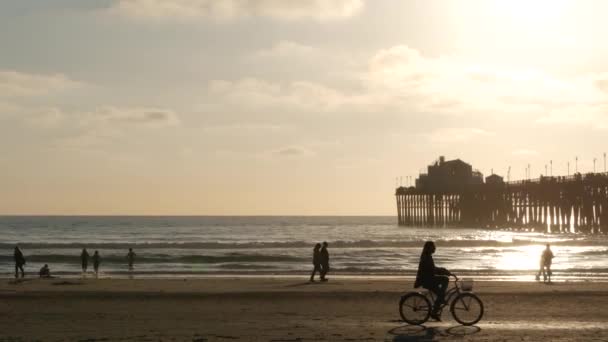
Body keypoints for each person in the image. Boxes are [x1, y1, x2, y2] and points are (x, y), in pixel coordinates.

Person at [414, 241, 451, 321]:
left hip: (428, 279)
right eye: (433, 246)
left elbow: (433, 269)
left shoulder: (427, 256)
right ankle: (436, 308)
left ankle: (435, 311)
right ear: (429, 248)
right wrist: (444, 271)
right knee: (445, 279)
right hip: (427, 280)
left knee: (440, 294)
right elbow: (433, 270)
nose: (435, 248)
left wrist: (443, 270)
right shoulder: (426, 257)